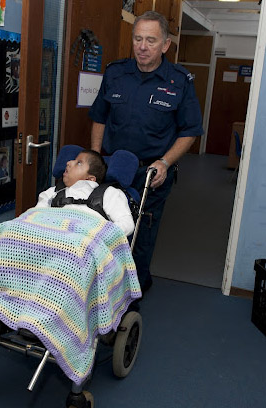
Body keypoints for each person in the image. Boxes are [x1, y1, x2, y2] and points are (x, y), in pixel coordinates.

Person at [89, 11, 204, 294]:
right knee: (104, 228)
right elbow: (99, 117)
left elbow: (189, 131)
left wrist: (165, 162)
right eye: (138, 38)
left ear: (165, 45)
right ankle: (103, 289)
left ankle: (132, 294)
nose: (142, 46)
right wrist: (93, 160)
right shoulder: (116, 72)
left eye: (151, 40)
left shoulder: (179, 81)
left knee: (141, 235)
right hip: (113, 168)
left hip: (150, 172)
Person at [36, 149, 135, 237]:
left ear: (90, 179)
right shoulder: (53, 192)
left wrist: (95, 235)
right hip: (54, 242)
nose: (69, 163)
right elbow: (36, 217)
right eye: (73, 160)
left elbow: (127, 224)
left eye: (79, 163)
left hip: (91, 246)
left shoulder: (109, 193)